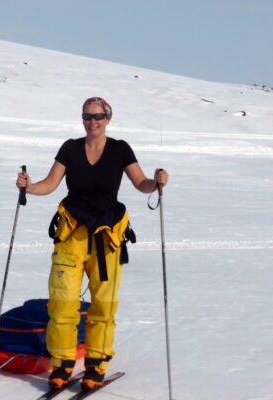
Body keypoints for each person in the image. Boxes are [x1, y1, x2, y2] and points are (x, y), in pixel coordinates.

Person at [16, 97, 169, 392]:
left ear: (108, 118)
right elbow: (50, 184)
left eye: (98, 116)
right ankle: (61, 364)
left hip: (107, 236)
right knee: (62, 304)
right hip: (71, 232)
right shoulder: (70, 148)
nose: (92, 121)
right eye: (87, 116)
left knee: (103, 305)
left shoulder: (120, 149)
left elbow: (141, 184)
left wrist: (157, 182)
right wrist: (28, 188)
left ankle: (96, 364)